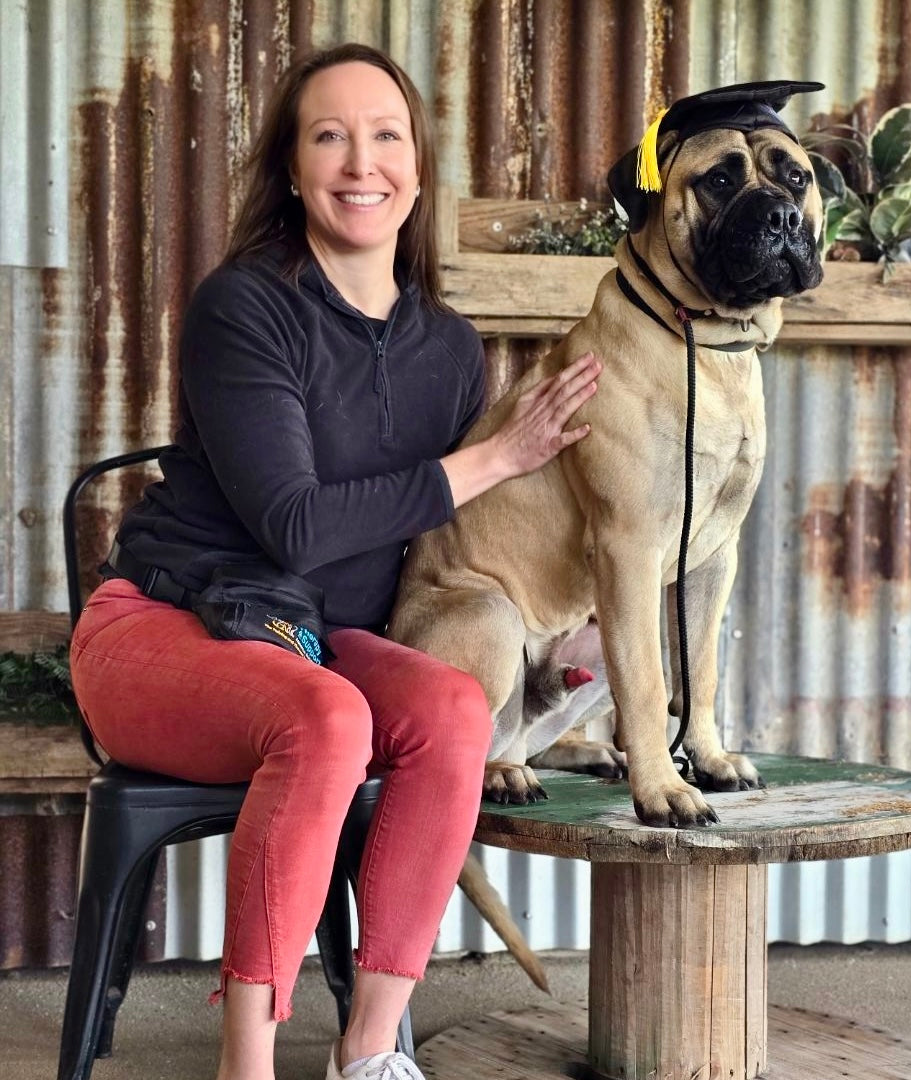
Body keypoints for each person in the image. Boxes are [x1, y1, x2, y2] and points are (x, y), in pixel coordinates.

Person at [68, 42, 601, 1080]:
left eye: (386, 134)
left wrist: (561, 622)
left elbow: (442, 545)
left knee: (450, 707)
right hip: (165, 628)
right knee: (328, 717)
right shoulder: (244, 308)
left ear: (416, 166)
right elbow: (299, 528)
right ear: (293, 167)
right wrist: (493, 458)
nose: (362, 162)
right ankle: (248, 1064)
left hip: (318, 644)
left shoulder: (448, 346)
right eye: (329, 135)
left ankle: (370, 1054)